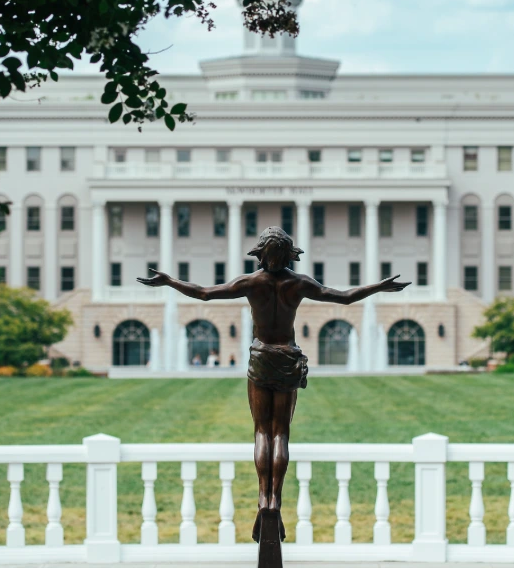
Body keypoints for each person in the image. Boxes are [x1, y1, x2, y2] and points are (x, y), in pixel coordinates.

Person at [138, 226, 407, 549]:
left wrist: (169, 281)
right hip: (287, 357)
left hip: (262, 357)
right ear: (289, 254)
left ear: (261, 254)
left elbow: (204, 293)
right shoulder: (299, 283)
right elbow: (345, 298)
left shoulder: (252, 283)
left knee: (261, 432)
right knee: (281, 432)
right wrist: (379, 286)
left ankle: (262, 498)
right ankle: (275, 500)